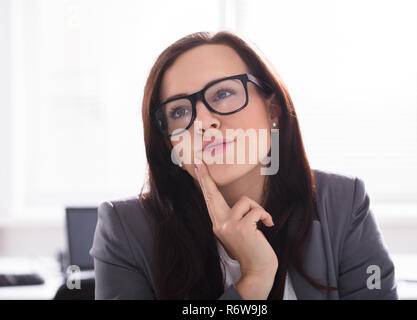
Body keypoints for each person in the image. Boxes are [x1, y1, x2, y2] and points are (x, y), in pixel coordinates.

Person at [89, 30, 398, 300]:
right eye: (180, 111)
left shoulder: (343, 204)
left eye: (223, 93)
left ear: (273, 108)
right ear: (170, 141)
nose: (204, 121)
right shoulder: (124, 230)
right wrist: (254, 279)